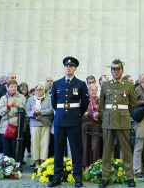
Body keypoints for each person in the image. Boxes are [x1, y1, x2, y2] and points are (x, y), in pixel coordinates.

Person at [48, 56, 89, 188]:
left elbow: (85, 103)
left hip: (74, 120)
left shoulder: (81, 84)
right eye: (66, 66)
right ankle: (57, 177)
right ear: (64, 67)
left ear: (75, 69)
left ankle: (77, 177)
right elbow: (54, 102)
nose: (68, 68)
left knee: (76, 150)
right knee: (58, 150)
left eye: (71, 66)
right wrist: (59, 113)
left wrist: (78, 114)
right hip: (59, 120)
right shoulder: (57, 83)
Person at [98, 59, 137, 188]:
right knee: (107, 150)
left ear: (122, 70)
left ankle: (130, 177)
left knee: (126, 150)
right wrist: (106, 115)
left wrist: (125, 114)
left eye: (118, 69)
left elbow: (133, 104)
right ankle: (105, 177)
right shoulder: (105, 85)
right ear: (111, 71)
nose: (116, 72)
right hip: (108, 120)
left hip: (123, 120)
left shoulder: (129, 86)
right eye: (114, 70)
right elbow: (102, 105)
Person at [26, 82, 53, 168]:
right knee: (35, 143)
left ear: (44, 90)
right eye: (36, 89)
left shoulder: (49, 99)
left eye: (40, 89)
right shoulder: (30, 99)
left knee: (44, 143)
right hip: (34, 124)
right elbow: (27, 111)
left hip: (45, 123)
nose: (38, 91)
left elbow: (51, 110)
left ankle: (43, 162)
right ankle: (36, 162)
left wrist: (41, 112)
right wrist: (34, 113)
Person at [0, 79, 26, 157]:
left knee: (15, 147)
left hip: (17, 126)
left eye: (15, 86)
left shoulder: (22, 97)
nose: (13, 88)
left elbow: (25, 110)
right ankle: (6, 166)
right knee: (6, 148)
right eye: (11, 86)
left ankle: (15, 165)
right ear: (7, 88)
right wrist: (8, 106)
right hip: (5, 126)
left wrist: (18, 105)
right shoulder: (3, 98)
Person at [81, 84, 101, 171]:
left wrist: (97, 113)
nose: (94, 91)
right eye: (92, 90)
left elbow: (102, 113)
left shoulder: (100, 100)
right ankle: (86, 166)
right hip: (85, 125)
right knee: (85, 147)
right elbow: (82, 114)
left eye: (95, 90)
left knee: (95, 147)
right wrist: (91, 114)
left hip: (96, 126)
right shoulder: (84, 100)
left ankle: (95, 166)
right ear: (88, 91)